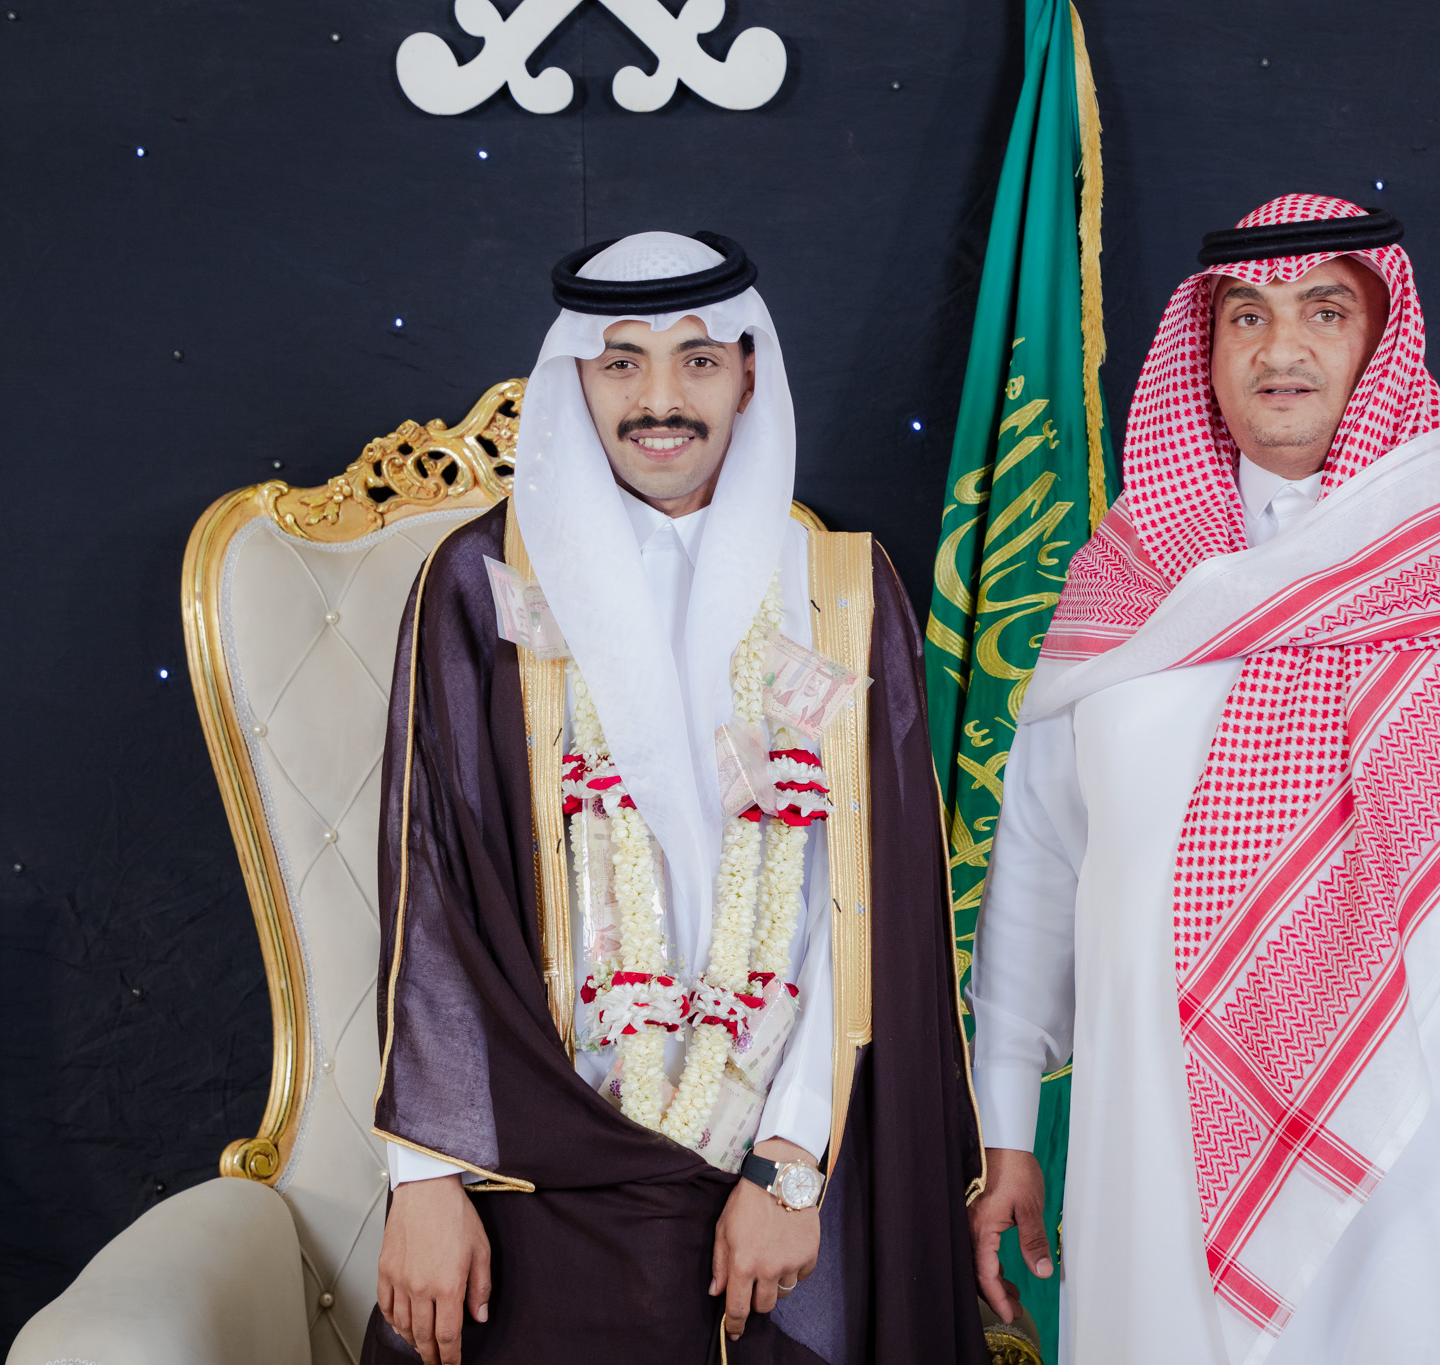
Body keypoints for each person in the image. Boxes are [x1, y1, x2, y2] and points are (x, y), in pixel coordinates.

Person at [966, 194, 1440, 1363]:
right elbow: (1038, 862)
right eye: (1245, 317)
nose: (1280, 349)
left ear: (1382, 343)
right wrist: (1008, 1124)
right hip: (1165, 1124)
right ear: (1203, 350)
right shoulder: (1122, 589)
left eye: (1323, 311)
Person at [365, 231, 986, 1365]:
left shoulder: (838, 589)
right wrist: (424, 1175)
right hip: (543, 1150)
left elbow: (865, 911)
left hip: (783, 1148)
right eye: (622, 363)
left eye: (697, 360)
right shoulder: (482, 583)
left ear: (748, 375)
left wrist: (790, 1159)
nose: (660, 400)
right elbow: (433, 885)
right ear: (576, 380)